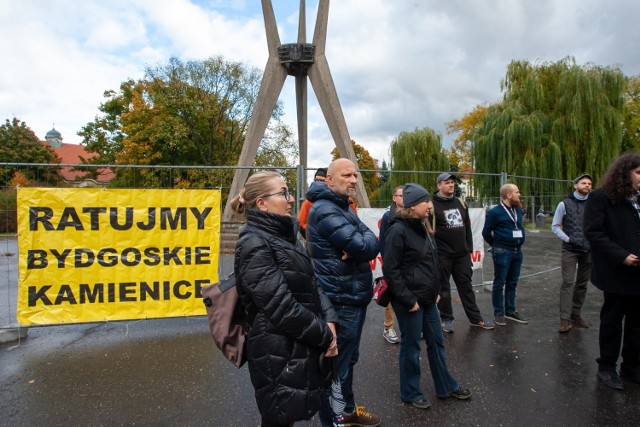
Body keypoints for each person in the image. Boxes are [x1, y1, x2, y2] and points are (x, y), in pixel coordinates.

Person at [230, 171, 338, 427]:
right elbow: (281, 307)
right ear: (261, 203)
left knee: (285, 415)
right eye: (283, 193)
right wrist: (324, 335)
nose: (291, 199)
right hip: (275, 349)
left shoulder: (283, 234)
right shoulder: (253, 243)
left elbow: (311, 281)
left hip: (296, 342)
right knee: (279, 416)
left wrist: (330, 318)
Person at [382, 183, 472, 409]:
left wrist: (437, 293)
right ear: (412, 206)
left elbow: (431, 263)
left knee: (436, 342)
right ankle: (410, 393)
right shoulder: (397, 230)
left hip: (428, 299)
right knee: (411, 348)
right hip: (409, 302)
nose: (430, 206)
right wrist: (408, 299)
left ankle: (445, 387)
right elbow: (390, 270)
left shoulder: (422, 226)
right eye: (425, 202)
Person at [306, 158, 381, 427]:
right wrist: (365, 244)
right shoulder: (326, 210)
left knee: (347, 362)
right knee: (337, 369)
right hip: (341, 300)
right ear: (330, 180)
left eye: (355, 175)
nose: (353, 180)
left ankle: (347, 413)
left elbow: (370, 239)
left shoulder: (342, 206)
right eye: (346, 175)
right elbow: (365, 245)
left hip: (350, 296)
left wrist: (366, 243)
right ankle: (336, 420)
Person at [584, 152, 640, 390]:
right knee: (612, 321)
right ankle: (606, 366)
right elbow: (594, 233)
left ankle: (632, 366)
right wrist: (622, 256)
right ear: (624, 173)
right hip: (616, 273)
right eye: (638, 172)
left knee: (637, 324)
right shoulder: (601, 198)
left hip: (639, 275)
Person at [431, 172, 495, 332]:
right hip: (442, 255)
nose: (451, 185)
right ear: (439, 185)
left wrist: (469, 251)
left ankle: (476, 319)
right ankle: (446, 319)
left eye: (452, 182)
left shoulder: (460, 202)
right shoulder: (432, 204)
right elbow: (429, 231)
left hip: (462, 256)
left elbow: (467, 228)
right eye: (447, 182)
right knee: (443, 288)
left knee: (466, 288)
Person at [551, 173, 593, 333]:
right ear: (575, 185)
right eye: (584, 183)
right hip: (570, 250)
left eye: (589, 183)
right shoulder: (564, 204)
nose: (587, 185)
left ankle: (576, 314)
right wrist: (568, 240)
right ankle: (564, 319)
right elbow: (555, 226)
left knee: (582, 284)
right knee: (568, 282)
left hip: (588, 249)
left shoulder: (593, 204)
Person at [482, 183, 528, 326]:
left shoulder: (518, 210)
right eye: (517, 192)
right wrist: (496, 245)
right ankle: (499, 312)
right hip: (502, 252)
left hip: (517, 251)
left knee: (512, 283)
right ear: (509, 195)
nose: (519, 195)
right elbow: (486, 232)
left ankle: (510, 310)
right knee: (499, 282)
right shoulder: (495, 212)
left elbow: (518, 227)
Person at [378, 186, 403, 344]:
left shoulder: (412, 213)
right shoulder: (388, 216)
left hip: (408, 263)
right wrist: (388, 263)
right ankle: (388, 328)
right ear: (394, 198)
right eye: (401, 195)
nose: (404, 198)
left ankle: (412, 326)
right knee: (390, 295)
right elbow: (383, 242)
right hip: (392, 263)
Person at [298, 168, 327, 238]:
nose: (318, 183)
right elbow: (301, 223)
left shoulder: (342, 200)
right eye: (316, 180)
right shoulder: (308, 202)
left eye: (322, 181)